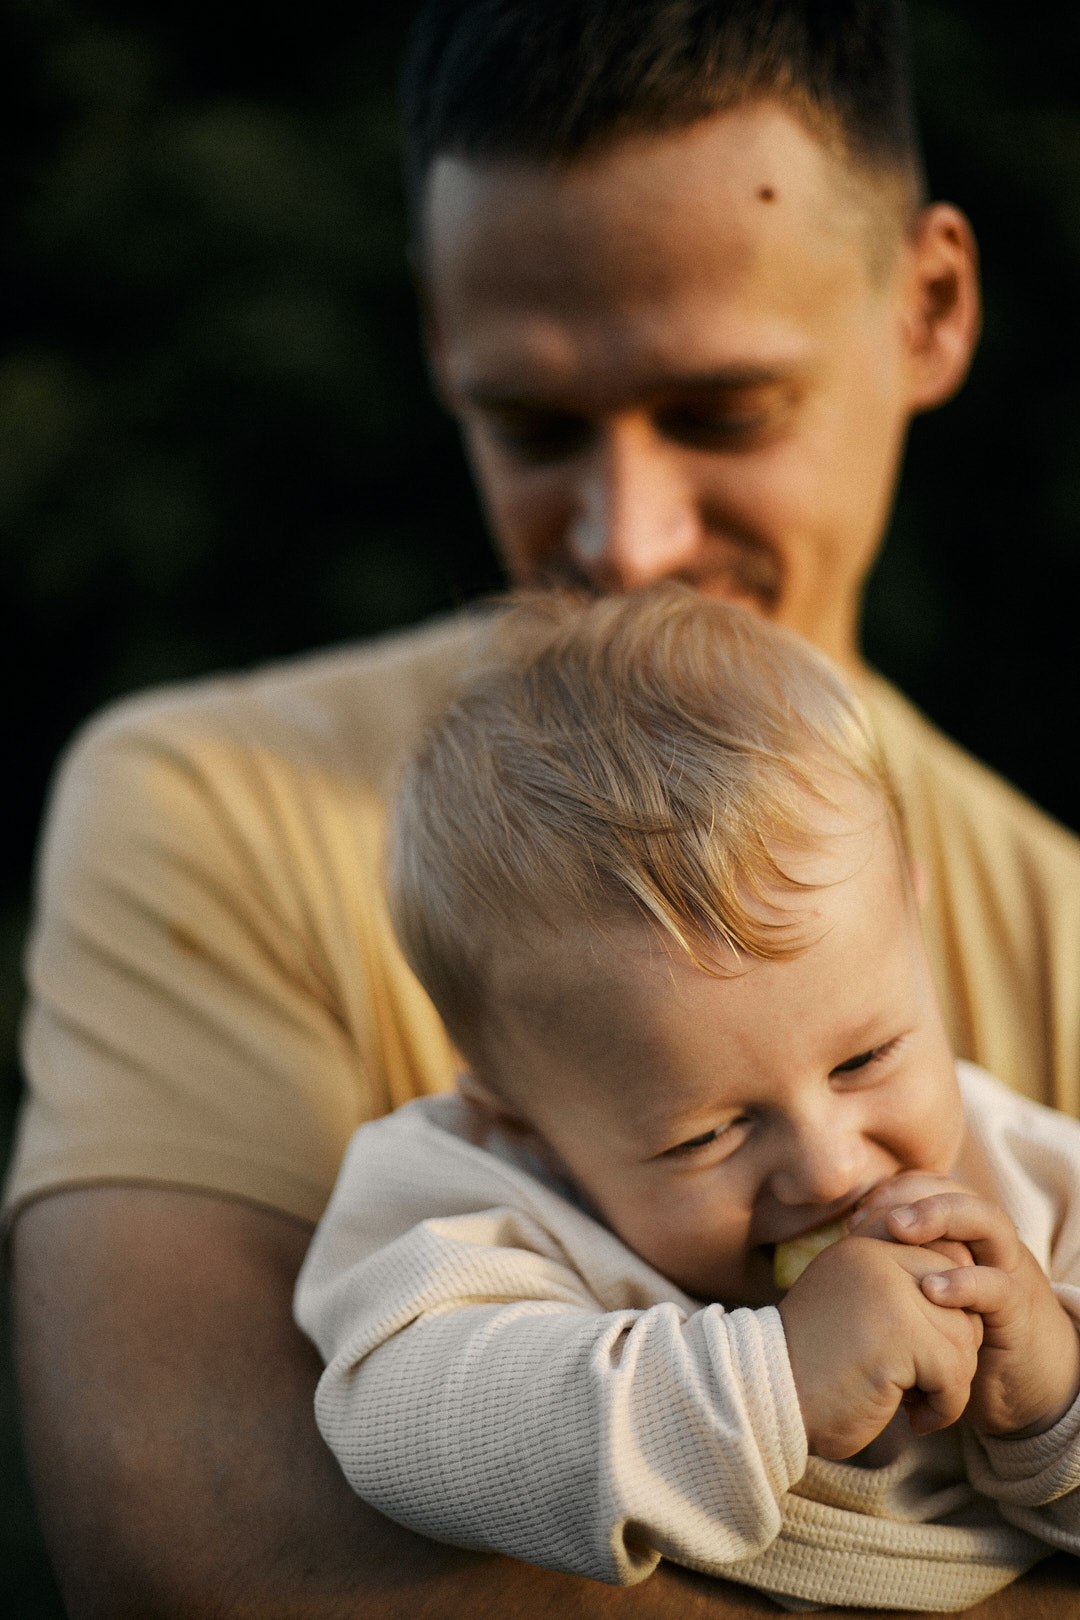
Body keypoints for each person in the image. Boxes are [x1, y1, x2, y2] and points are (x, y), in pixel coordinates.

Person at [6, 2, 1080, 1614]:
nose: (626, 536)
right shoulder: (205, 807)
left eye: (724, 412)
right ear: (442, 346)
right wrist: (782, 1384)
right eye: (532, 424)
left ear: (928, 308)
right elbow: (187, 1549)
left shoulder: (1055, 935)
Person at [295, 586, 1080, 1610]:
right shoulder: (478, 1201)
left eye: (867, 1058)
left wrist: (1053, 1397)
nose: (832, 1164)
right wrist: (777, 1383)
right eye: (709, 1132)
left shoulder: (1034, 1179)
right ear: (518, 1119)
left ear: (914, 933)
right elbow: (401, 1421)